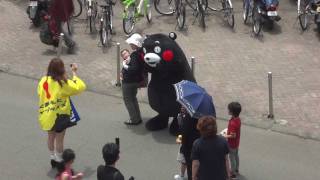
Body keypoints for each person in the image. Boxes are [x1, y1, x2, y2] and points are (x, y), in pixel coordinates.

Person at [38, 58, 86, 168]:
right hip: (60, 116)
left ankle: (52, 157)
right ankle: (60, 160)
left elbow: (39, 93)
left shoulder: (43, 80)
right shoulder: (62, 83)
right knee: (59, 138)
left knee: (50, 136)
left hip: (46, 114)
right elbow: (80, 87)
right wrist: (74, 73)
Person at [191, 116, 231, 180]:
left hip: (204, 176)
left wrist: (193, 177)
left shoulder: (197, 143)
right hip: (220, 175)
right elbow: (226, 159)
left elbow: (196, 163)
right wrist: (228, 174)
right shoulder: (223, 141)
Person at [121, 34, 144, 125]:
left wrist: (125, 66)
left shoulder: (135, 55)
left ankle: (134, 119)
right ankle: (137, 117)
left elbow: (133, 69)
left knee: (128, 100)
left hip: (129, 81)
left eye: (131, 43)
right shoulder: (141, 53)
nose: (130, 45)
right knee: (133, 99)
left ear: (135, 44)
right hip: (136, 81)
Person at [223, 102, 242, 179]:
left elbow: (233, 135)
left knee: (232, 158)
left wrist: (225, 136)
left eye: (229, 109)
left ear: (232, 112)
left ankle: (233, 172)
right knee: (236, 156)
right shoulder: (238, 119)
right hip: (237, 142)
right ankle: (237, 169)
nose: (228, 110)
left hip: (232, 144)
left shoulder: (233, 123)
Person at [180, 112, 200, 180]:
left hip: (188, 146)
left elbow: (184, 131)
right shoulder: (203, 117)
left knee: (190, 166)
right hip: (199, 145)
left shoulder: (189, 117)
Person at [174, 108, 187, 180]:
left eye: (184, 107)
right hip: (186, 141)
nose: (182, 107)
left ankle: (182, 176)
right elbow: (181, 130)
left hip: (186, 144)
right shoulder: (181, 115)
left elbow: (184, 130)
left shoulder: (188, 119)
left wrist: (180, 138)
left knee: (184, 161)